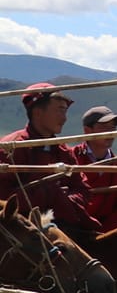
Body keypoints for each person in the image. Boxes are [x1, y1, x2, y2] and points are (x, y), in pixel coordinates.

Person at [0, 83, 94, 235]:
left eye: (65, 111)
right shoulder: (11, 148)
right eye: (59, 110)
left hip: (64, 228)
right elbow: (3, 195)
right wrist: (49, 194)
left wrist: (65, 199)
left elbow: (82, 189)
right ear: (37, 112)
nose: (64, 118)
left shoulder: (62, 149)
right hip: (23, 233)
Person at [70, 104, 117, 235]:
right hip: (72, 233)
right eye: (104, 128)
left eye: (113, 128)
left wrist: (104, 232)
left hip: (107, 237)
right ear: (87, 130)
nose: (110, 133)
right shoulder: (70, 159)